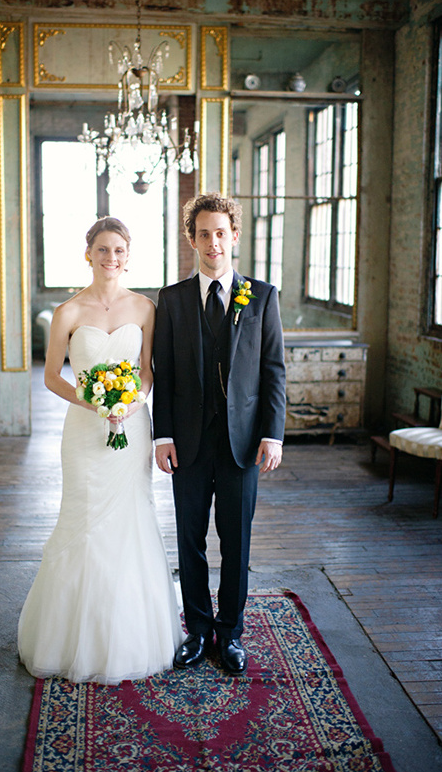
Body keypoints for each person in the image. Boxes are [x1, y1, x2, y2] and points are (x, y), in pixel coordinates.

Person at [18, 217, 184, 684]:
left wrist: (131, 403)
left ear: (128, 257)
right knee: (83, 518)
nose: (111, 258)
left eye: (119, 251)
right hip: (84, 431)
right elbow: (53, 375)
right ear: (87, 253)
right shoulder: (67, 312)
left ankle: (131, 631)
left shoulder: (145, 308)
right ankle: (70, 636)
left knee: (131, 516)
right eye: (103, 249)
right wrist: (91, 400)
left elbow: (148, 370)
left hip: (131, 427)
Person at [153, 192, 286, 676]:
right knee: (189, 540)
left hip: (243, 442)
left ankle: (229, 633)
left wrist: (273, 434)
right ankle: (198, 630)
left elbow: (273, 371)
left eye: (221, 233)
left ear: (235, 236)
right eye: (203, 233)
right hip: (187, 443)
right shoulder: (171, 300)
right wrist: (161, 435)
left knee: (237, 541)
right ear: (192, 239)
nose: (213, 242)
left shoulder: (262, 296)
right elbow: (162, 374)